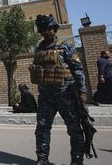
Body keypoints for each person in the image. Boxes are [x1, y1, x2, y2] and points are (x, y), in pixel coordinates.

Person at [30, 14, 86, 165]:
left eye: (49, 29)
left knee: (74, 128)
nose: (46, 32)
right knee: (42, 128)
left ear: (54, 30)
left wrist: (82, 91)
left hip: (65, 93)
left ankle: (76, 160)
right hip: (45, 96)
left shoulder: (65, 46)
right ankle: (42, 159)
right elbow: (38, 67)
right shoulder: (39, 49)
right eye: (43, 30)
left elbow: (78, 69)